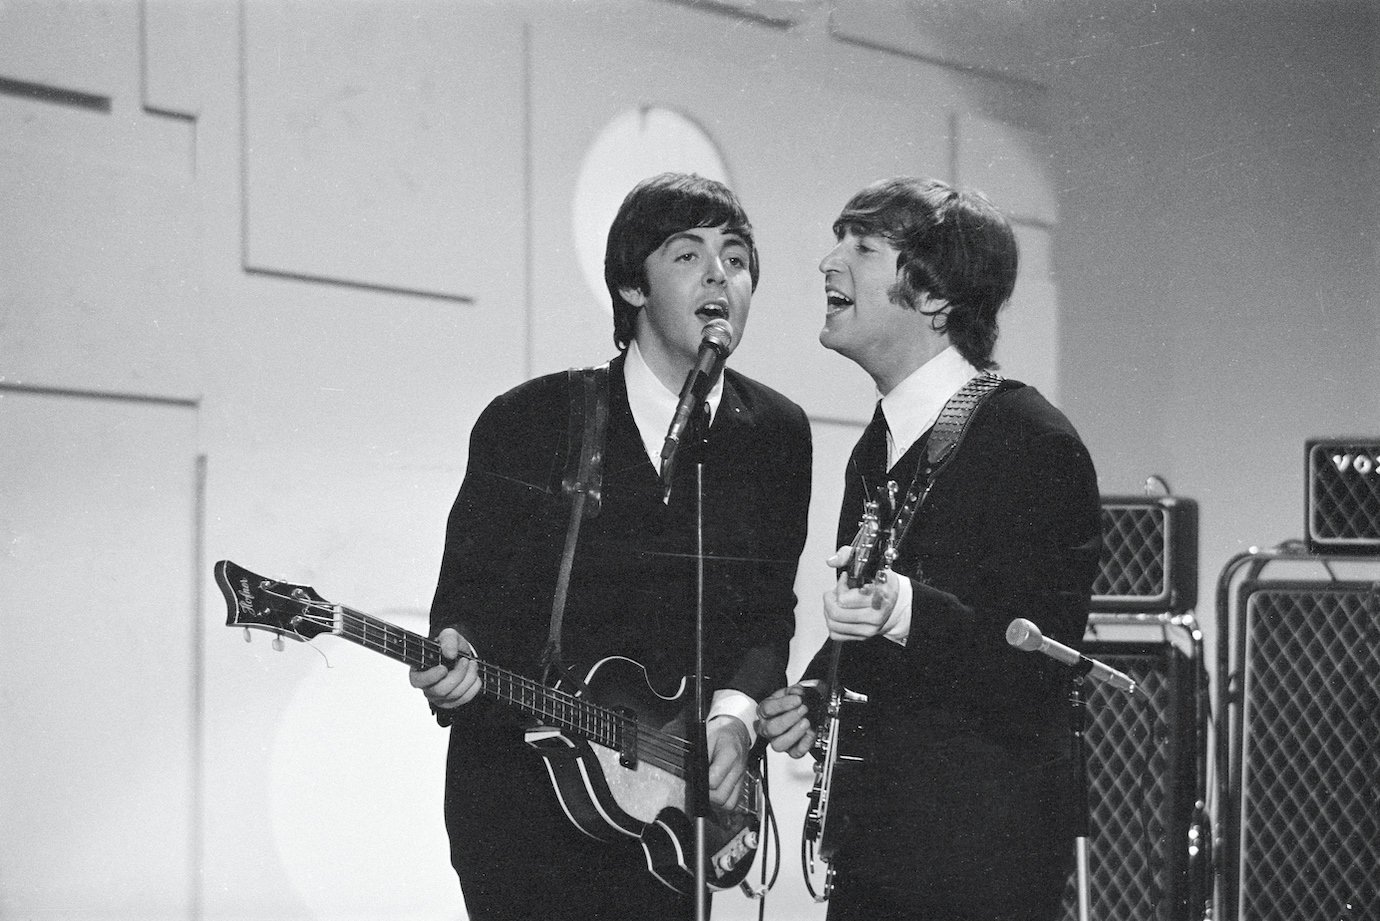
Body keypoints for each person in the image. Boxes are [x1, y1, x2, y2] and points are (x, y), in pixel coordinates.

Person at [409, 172, 812, 920]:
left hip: (671, 816)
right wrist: (454, 657)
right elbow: (463, 603)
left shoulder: (776, 434)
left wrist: (732, 720)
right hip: (523, 812)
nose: (719, 275)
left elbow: (766, 616)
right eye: (688, 255)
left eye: (735, 258)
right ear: (632, 285)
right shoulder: (532, 419)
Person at [756, 177, 1102, 921]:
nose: (829, 262)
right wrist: (819, 691)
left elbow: (1040, 663)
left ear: (936, 296)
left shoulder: (1032, 442)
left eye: (862, 247)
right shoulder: (878, 445)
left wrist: (904, 608)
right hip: (878, 860)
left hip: (977, 877)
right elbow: (880, 629)